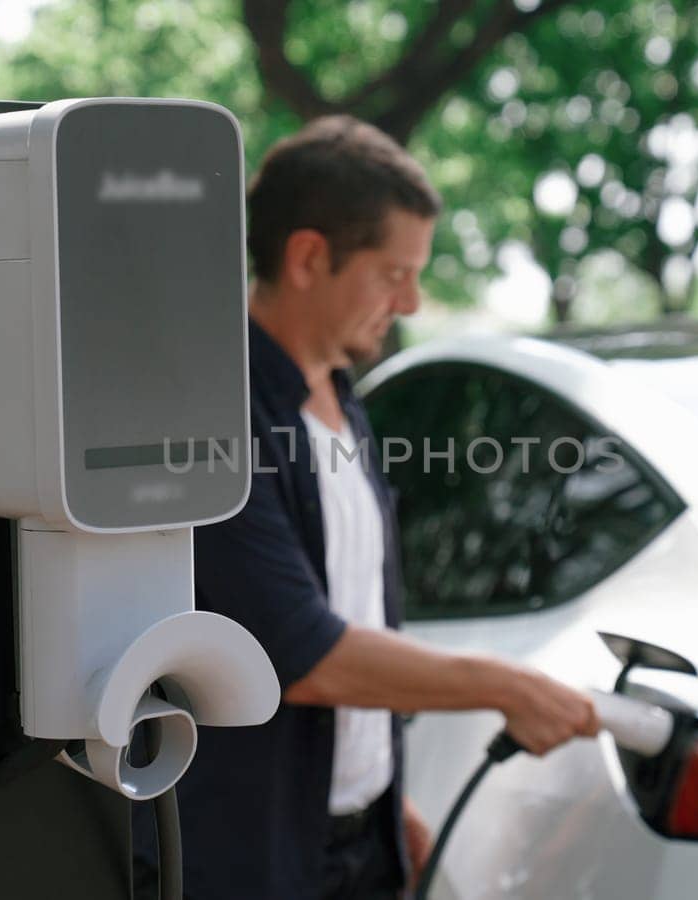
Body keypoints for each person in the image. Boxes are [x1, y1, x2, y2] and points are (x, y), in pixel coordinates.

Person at [130, 115, 601, 900]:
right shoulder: (212, 414)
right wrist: (507, 685)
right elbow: (304, 655)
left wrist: (382, 795)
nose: (412, 301)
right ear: (310, 256)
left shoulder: (346, 401)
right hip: (244, 860)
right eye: (393, 273)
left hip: (358, 843)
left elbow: (360, 612)